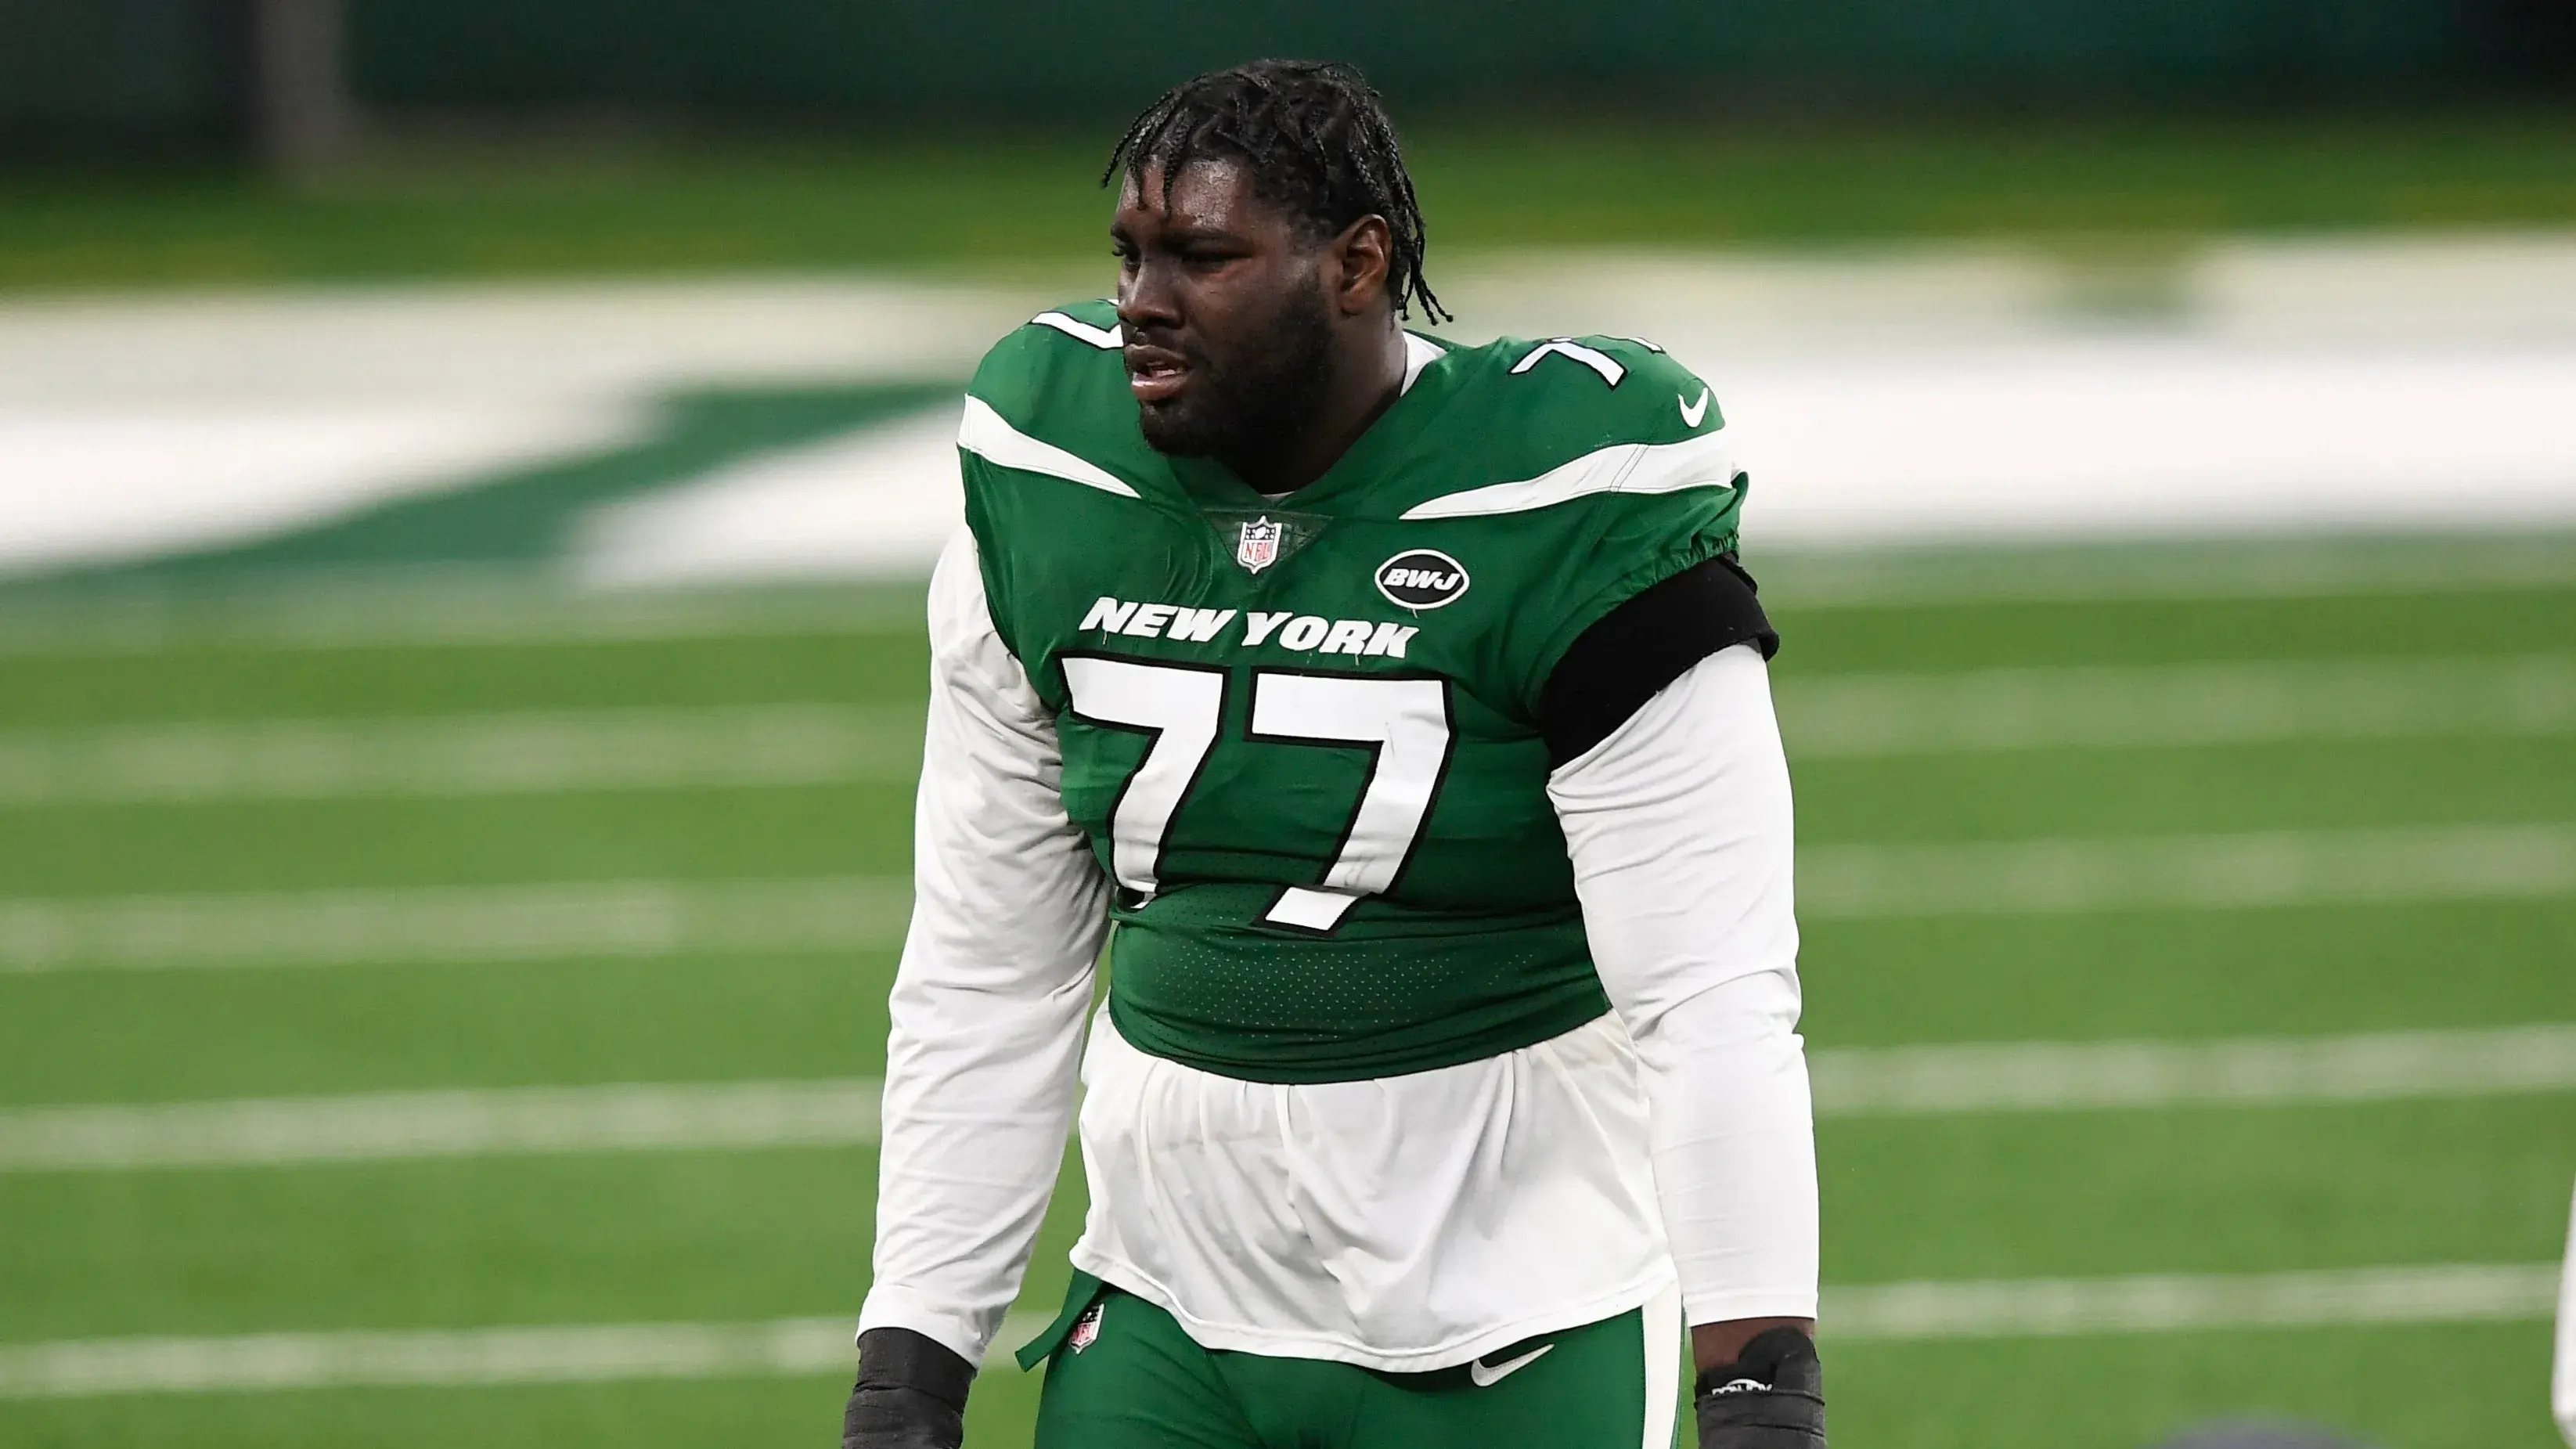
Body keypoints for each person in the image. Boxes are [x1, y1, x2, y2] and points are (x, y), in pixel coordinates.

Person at [842, 58, 1821, 1449]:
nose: (1141, 307)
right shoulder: (1053, 474)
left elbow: (1711, 988)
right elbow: (988, 965)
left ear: (1354, 265)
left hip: (1512, 1319)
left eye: (1202, 256)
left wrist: (1758, 1383)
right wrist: (910, 1361)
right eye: (1127, 256)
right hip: (1164, 1306)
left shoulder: (1566, 494)